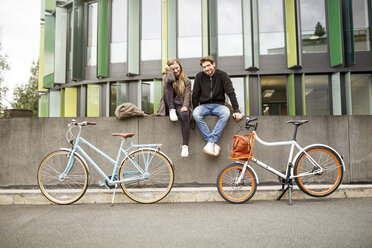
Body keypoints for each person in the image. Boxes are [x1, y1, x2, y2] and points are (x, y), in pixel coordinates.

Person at [192, 56, 242, 157]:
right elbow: (195, 95)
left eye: (208, 65)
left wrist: (236, 110)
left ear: (213, 64)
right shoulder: (199, 76)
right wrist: (194, 109)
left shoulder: (222, 75)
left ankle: (210, 143)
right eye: (204, 67)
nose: (206, 68)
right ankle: (212, 143)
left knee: (226, 112)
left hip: (219, 105)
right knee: (196, 113)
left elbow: (230, 92)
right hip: (204, 106)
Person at [157, 59, 192, 157]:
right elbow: (170, 80)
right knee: (167, 85)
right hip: (169, 105)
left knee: (185, 114)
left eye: (177, 68)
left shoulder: (187, 81)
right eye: (173, 69)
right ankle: (172, 110)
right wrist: (169, 71)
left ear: (180, 66)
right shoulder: (167, 77)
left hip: (180, 106)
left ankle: (185, 146)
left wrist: (185, 106)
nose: (176, 70)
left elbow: (187, 95)